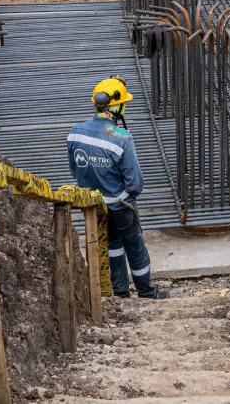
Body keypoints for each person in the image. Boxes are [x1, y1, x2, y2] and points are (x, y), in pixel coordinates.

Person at [67, 76, 169, 300]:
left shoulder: (75, 132)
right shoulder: (122, 138)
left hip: (93, 205)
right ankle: (146, 290)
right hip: (119, 204)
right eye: (124, 103)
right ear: (115, 106)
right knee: (134, 243)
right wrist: (123, 197)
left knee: (112, 244)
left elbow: (76, 171)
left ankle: (120, 290)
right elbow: (136, 183)